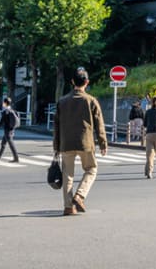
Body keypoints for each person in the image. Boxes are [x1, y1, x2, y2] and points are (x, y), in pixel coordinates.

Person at [53, 67, 107, 217]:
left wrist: (56, 146)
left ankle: (68, 207)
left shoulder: (62, 101)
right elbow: (99, 125)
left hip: (66, 143)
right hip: (86, 142)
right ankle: (80, 195)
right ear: (87, 82)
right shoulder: (91, 101)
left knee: (67, 175)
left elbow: (56, 125)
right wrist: (103, 143)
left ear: (72, 82)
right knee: (91, 169)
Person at [0, 96, 20, 163]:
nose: (2, 103)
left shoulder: (5, 111)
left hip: (7, 131)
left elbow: (1, 121)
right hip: (12, 130)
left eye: (3, 102)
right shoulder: (12, 110)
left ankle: (16, 158)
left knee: (11, 145)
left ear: (5, 103)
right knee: (3, 144)